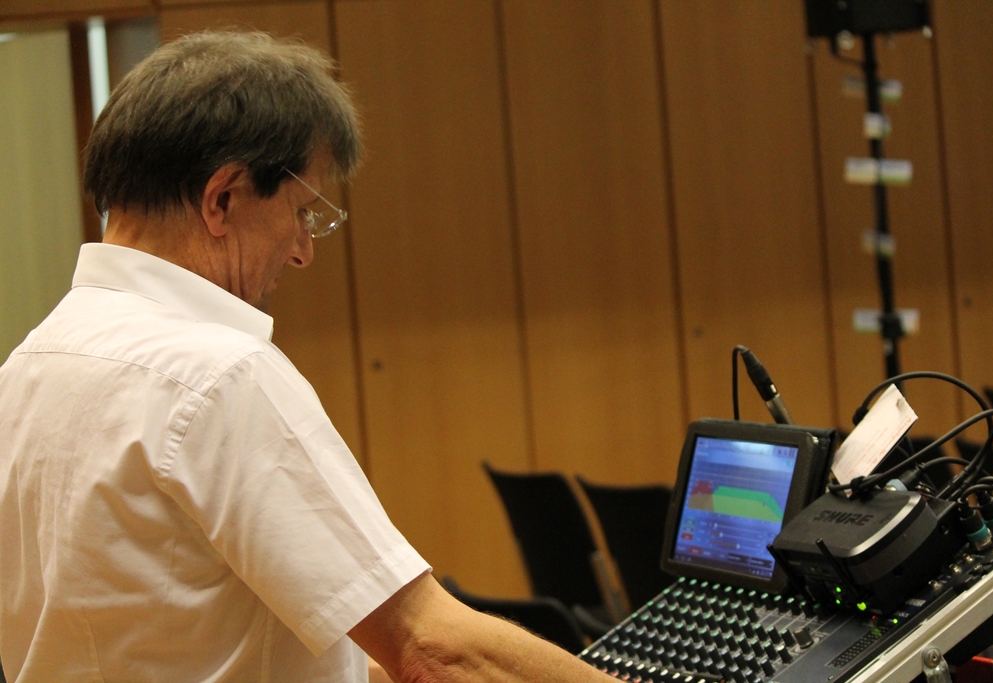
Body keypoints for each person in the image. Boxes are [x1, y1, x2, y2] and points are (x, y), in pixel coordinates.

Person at [0, 31, 614, 683]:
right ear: (223, 198)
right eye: (300, 213)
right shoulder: (220, 376)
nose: (302, 251)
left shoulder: (25, 369)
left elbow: (182, 636)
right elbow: (431, 646)